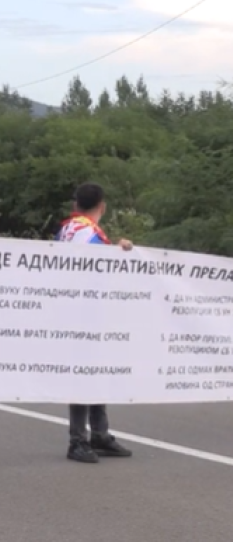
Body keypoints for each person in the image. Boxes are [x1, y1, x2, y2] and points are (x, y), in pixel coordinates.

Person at [55, 182, 134, 464]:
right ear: (102, 205)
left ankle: (98, 434)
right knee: (83, 374)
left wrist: (115, 250)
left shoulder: (68, 229)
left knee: (94, 372)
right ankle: (79, 439)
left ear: (77, 204)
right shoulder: (88, 232)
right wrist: (121, 253)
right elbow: (100, 271)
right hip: (84, 313)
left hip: (78, 310)